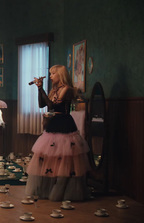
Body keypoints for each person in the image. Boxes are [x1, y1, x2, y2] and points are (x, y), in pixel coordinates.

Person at [25, 64, 90, 201]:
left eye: (52, 74)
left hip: (64, 124)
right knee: (50, 158)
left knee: (64, 157)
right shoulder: (55, 90)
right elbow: (42, 105)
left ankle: (63, 191)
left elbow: (52, 106)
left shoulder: (67, 89)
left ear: (60, 75)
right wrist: (39, 89)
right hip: (53, 124)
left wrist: (41, 88)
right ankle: (47, 190)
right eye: (50, 74)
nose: (50, 76)